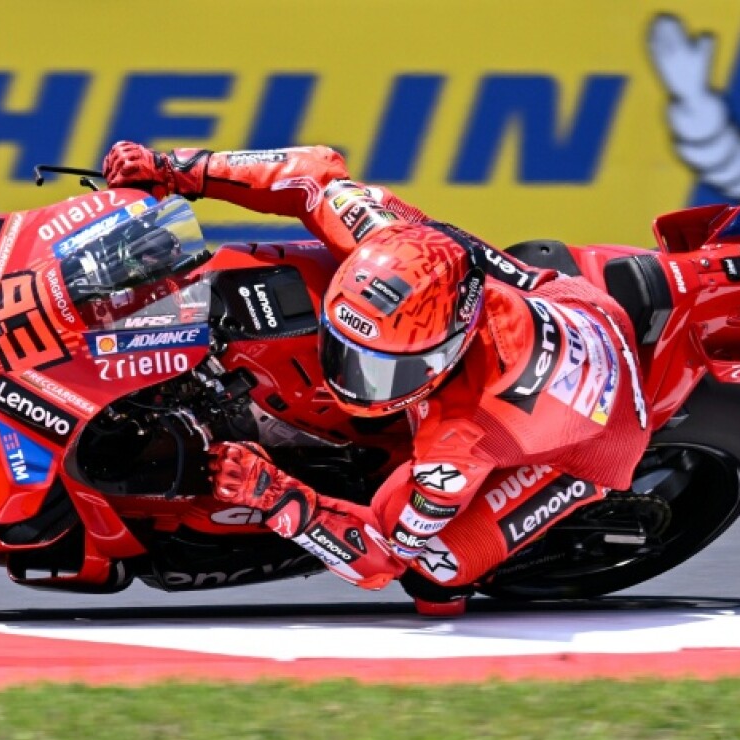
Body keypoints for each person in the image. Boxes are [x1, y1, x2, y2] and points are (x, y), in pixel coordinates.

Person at [101, 141, 652, 615]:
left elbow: (384, 558)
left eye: (385, 370)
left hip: (599, 436)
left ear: (449, 351)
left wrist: (277, 496)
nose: (352, 380)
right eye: (347, 351)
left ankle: (529, 534)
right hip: (557, 297)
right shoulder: (385, 238)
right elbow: (312, 173)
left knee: (435, 574)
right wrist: (174, 169)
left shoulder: (459, 444)